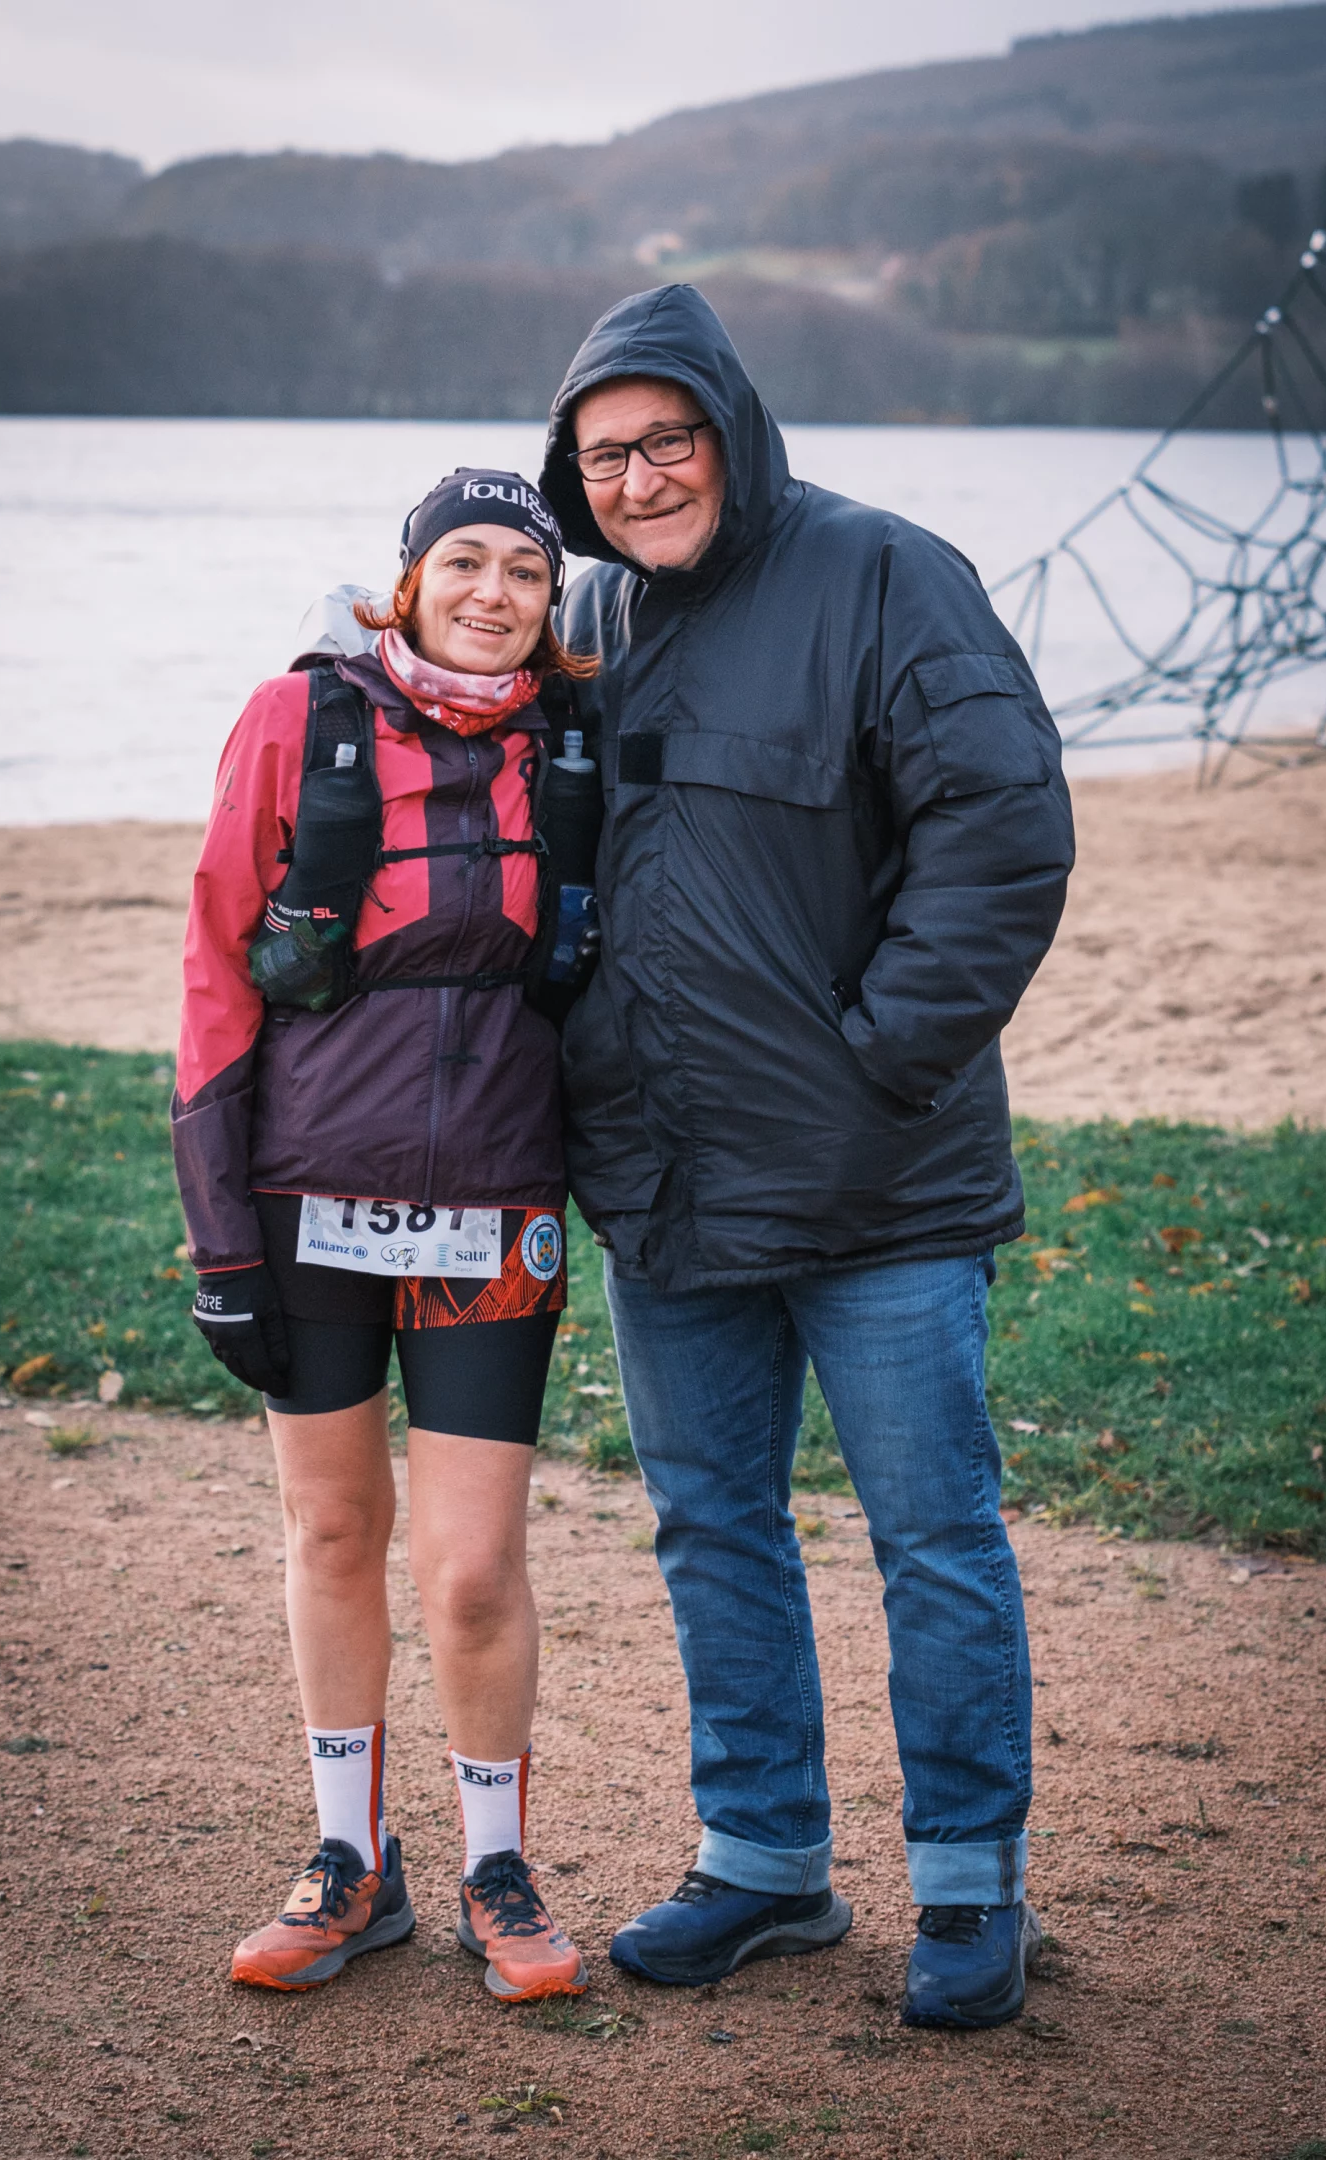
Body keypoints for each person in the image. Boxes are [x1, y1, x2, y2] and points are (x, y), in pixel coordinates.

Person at [537, 286, 1076, 2028]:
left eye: (666, 439)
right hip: (668, 1182)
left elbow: (1004, 829)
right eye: (603, 456)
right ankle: (764, 1861)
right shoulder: (589, 615)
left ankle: (973, 1886)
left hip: (881, 1181)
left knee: (934, 1537)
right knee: (713, 1526)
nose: (638, 479)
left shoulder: (888, 574)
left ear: (733, 430)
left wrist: (879, 1058)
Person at [171, 469, 596, 2002]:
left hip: (497, 1204)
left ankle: (499, 1868)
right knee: (336, 1531)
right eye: (463, 561)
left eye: (526, 573)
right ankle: (351, 1861)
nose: (494, 592)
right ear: (406, 582)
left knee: (473, 1569)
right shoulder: (299, 719)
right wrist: (222, 1243)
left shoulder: (575, 740)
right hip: (305, 1203)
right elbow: (217, 972)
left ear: (552, 605)